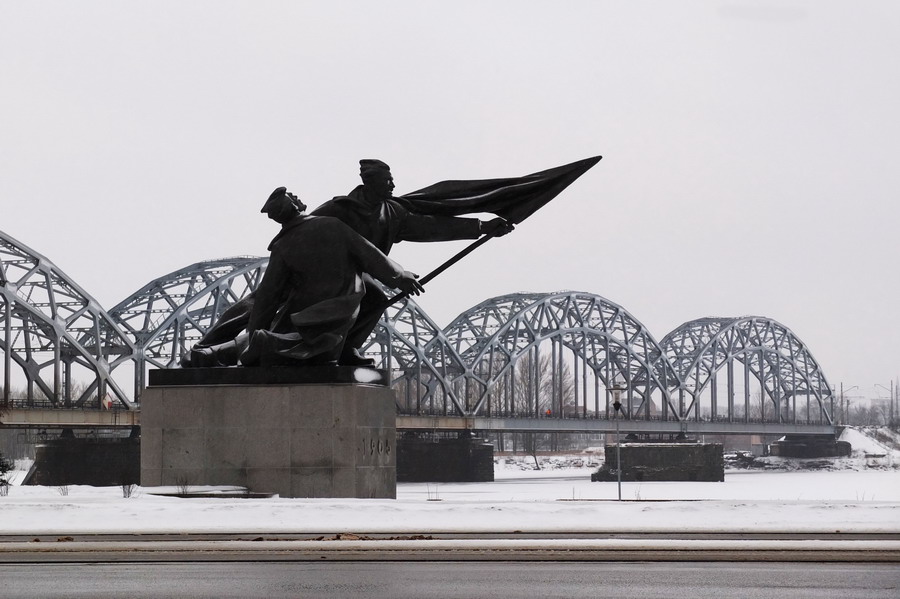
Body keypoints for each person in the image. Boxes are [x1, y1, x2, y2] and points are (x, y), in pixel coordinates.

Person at [185, 187, 423, 367]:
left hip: (308, 309)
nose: (297, 198)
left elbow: (268, 297)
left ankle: (226, 350)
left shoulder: (283, 246)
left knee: (298, 339)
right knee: (313, 343)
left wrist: (255, 331)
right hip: (340, 303)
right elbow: (368, 253)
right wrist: (400, 276)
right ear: (295, 206)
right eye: (293, 198)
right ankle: (341, 347)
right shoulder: (330, 225)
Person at [312, 159, 514, 364]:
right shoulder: (339, 208)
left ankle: (346, 347)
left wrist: (481, 227)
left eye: (391, 180)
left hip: (362, 273)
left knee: (376, 299)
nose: (392, 185)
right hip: (328, 271)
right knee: (366, 294)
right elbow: (303, 231)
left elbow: (429, 227)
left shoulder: (392, 212)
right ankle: (328, 346)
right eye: (387, 181)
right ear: (369, 182)